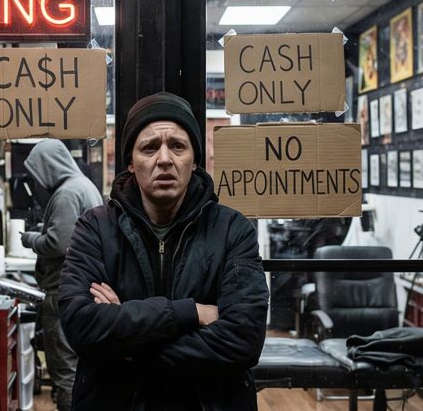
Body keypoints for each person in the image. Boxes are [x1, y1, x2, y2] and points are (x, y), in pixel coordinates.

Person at [59, 92, 268, 410]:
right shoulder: (95, 228)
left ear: (194, 160)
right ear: (131, 162)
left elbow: (243, 340)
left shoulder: (232, 230)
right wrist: (191, 312)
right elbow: (81, 326)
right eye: (150, 147)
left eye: (178, 146)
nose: (165, 159)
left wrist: (127, 346)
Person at [20, 139, 103, 411]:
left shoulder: (67, 193)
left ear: (49, 166)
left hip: (62, 292)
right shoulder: (86, 186)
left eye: (39, 171)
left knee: (66, 373)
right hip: (83, 291)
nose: (39, 180)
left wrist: (31, 238)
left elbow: (58, 243)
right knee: (81, 370)